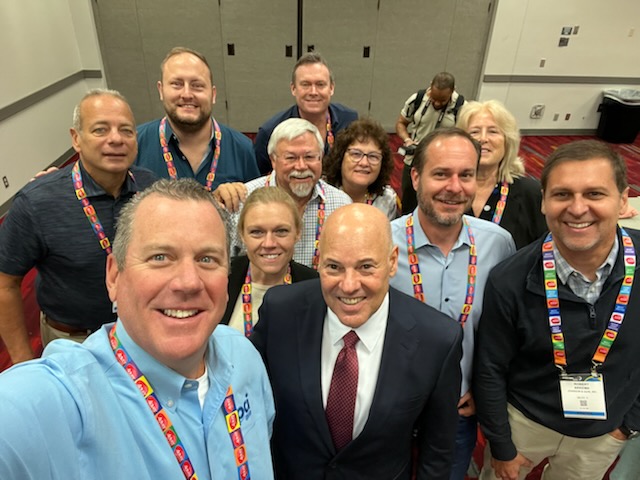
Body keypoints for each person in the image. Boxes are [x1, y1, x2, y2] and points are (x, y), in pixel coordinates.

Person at [0, 179, 275, 479]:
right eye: (160, 257)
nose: (188, 282)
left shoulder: (244, 356)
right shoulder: (62, 401)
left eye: (207, 259)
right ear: (114, 277)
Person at [251, 203, 463, 479]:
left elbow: (437, 452)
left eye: (365, 267)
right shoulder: (280, 312)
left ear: (391, 261)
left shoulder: (438, 340)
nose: (349, 285)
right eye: (334, 267)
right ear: (319, 262)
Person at [475, 140, 640, 480]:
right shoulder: (510, 278)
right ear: (544, 202)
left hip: (603, 434)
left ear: (623, 200)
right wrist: (502, 446)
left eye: (595, 194)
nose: (578, 209)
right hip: (525, 422)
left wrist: (628, 425)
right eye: (563, 194)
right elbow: (490, 367)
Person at [389, 127, 516, 480]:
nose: (454, 187)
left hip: (458, 412)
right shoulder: (382, 243)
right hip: (391, 410)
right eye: (441, 173)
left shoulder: (498, 245)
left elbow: (504, 330)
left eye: (466, 175)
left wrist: (483, 388)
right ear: (415, 177)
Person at [0, 89, 157, 364]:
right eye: (100, 130)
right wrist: (23, 362)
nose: (116, 139)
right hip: (74, 342)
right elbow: (5, 284)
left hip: (140, 333)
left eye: (126, 130)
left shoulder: (150, 188)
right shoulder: (38, 202)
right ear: (76, 139)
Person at [214, 118, 352, 268]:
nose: (301, 166)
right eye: (291, 158)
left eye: (309, 157)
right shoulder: (242, 199)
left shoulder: (342, 205)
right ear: (273, 160)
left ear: (321, 157)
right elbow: (223, 263)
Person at [136, 47, 259, 190]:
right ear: (161, 90)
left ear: (213, 94)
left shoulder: (242, 149)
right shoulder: (135, 145)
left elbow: (254, 207)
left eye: (197, 86)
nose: (187, 94)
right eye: (177, 84)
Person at [221, 186, 317, 334]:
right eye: (257, 232)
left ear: (298, 233)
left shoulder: (316, 288)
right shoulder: (222, 278)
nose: (269, 244)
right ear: (242, 235)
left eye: (281, 231)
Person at [456, 100, 547, 249]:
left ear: (507, 141)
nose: (483, 139)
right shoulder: (445, 188)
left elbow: (544, 250)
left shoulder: (531, 193)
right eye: (474, 132)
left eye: (493, 131)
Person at [253, 52, 358, 175]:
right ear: (293, 89)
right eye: (305, 85)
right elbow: (257, 178)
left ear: (331, 88)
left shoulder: (349, 121)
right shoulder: (270, 131)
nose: (313, 92)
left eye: (320, 84)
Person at [396, 72, 465, 214]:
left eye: (442, 101)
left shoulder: (462, 107)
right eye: (434, 99)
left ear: (452, 92)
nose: (437, 103)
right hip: (414, 161)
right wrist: (407, 139)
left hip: (443, 164)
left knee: (437, 204)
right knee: (409, 204)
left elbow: (465, 138)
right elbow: (401, 123)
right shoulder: (417, 99)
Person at [323, 118, 400, 220]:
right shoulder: (321, 193)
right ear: (340, 157)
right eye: (356, 154)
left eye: (373, 156)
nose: (364, 163)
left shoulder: (387, 199)